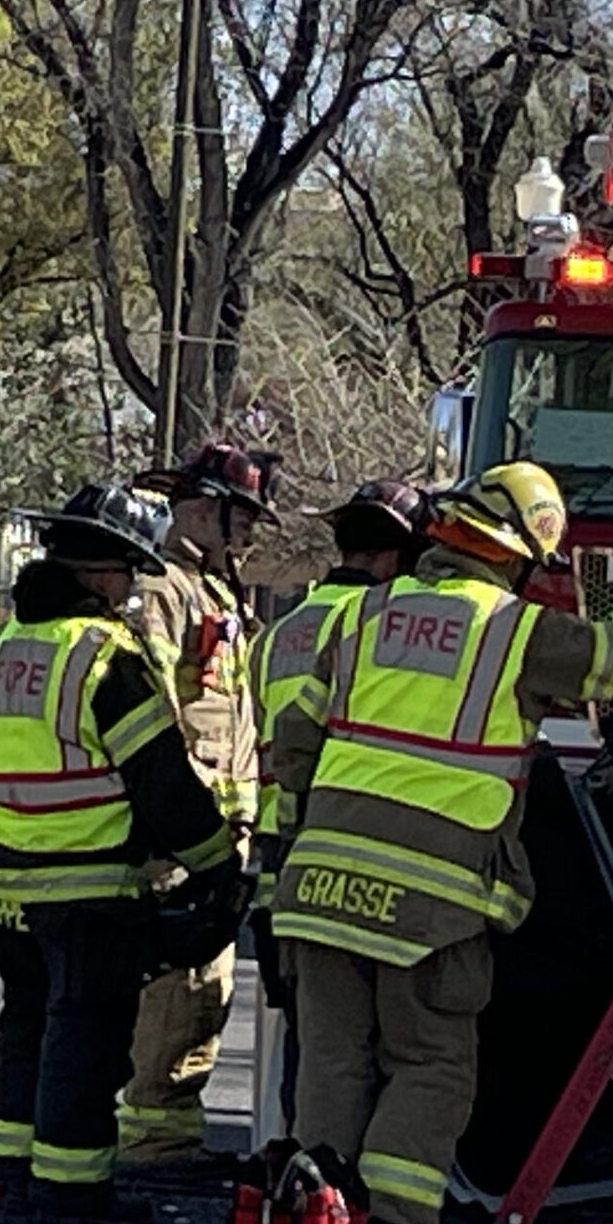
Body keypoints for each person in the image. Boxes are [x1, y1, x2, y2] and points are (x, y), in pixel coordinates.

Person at [264, 460, 613, 1224]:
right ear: (515, 556)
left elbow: (292, 748)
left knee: (331, 1064)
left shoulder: (361, 622)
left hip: (318, 891)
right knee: (429, 1063)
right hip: (428, 904)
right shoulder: (512, 631)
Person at [0, 483, 243, 1224]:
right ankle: (71, 1189)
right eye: (130, 574)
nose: (132, 593)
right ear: (104, 572)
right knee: (84, 1037)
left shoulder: (2, 648)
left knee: (25, 1025)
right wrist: (217, 863)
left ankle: (18, 1173)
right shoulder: (104, 658)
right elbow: (162, 781)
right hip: (83, 890)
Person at [243, 476, 435, 1135]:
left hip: (281, 866)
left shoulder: (278, 633)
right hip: (362, 860)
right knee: (376, 1049)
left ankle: (299, 1190)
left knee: (313, 1045)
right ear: (394, 559)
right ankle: (350, 1204)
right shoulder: (386, 629)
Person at [112, 442, 277, 1168]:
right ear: (206, 509)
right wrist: (174, 818)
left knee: (207, 985)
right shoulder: (164, 590)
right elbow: (154, 709)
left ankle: (170, 1129)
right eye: (242, 519)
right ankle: (155, 1137)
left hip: (223, 828)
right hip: (184, 832)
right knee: (179, 988)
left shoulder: (215, 591)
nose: (250, 536)